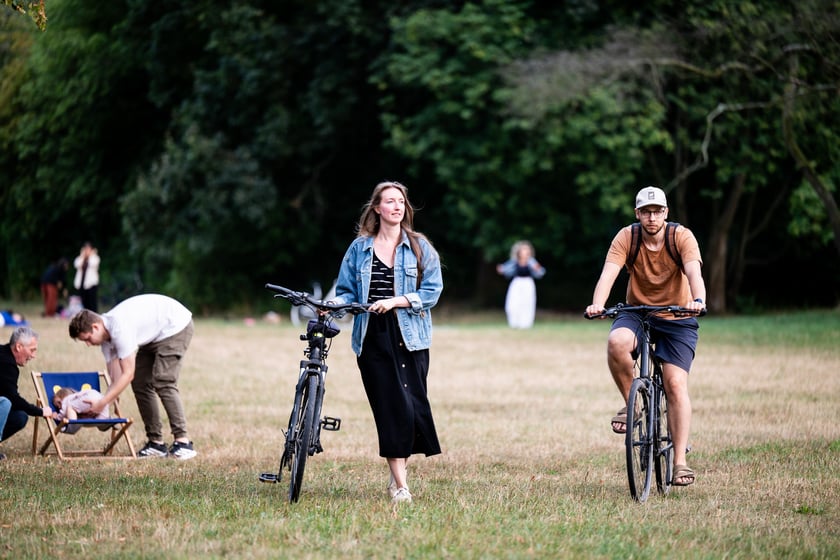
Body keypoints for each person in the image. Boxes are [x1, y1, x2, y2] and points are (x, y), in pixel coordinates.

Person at [585, 186, 706, 487]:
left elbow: (694, 273)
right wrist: (597, 303)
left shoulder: (681, 237)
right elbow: (608, 274)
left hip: (678, 314)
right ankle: (633, 404)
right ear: (637, 214)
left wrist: (698, 300)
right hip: (637, 311)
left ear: (666, 213)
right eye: (646, 212)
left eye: (657, 211)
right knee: (617, 342)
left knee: (675, 383)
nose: (652, 217)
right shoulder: (628, 237)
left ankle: (679, 463)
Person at [331, 181, 444, 504]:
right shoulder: (359, 249)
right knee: (390, 408)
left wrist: (396, 301)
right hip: (373, 338)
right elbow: (346, 290)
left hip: (411, 337)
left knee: (410, 408)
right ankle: (402, 486)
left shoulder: (420, 247)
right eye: (389, 201)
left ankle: (396, 478)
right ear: (377, 208)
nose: (396, 206)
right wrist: (335, 306)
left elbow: (432, 292)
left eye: (400, 202)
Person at [68, 294, 198, 460]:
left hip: (175, 326)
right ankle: (156, 443)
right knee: (140, 383)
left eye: (87, 339)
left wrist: (102, 403)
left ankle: (183, 442)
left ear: (95, 327)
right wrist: (107, 405)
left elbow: (127, 374)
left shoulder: (119, 329)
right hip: (155, 334)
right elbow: (116, 379)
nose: (88, 344)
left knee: (163, 381)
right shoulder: (106, 341)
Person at [0, 327, 53, 458]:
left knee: (18, 416)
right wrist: (40, 411)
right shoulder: (6, 364)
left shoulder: (4, 354)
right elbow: (13, 399)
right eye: (32, 350)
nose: (33, 355)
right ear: (18, 347)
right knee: (7, 405)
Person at [496, 240, 546, 329]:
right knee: (512, 304)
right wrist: (501, 269)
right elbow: (505, 269)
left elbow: (541, 272)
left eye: (527, 250)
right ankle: (514, 323)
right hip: (517, 283)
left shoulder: (531, 262)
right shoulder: (514, 261)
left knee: (526, 304)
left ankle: (525, 324)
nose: (526, 252)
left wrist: (537, 269)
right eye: (523, 250)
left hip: (528, 284)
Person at [73, 242, 100, 312]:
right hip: (82, 284)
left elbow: (92, 264)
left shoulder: (95, 258)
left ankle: (94, 316)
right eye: (85, 249)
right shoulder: (81, 258)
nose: (87, 251)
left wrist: (91, 255)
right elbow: (76, 264)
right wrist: (82, 256)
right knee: (84, 302)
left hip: (91, 284)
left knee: (92, 302)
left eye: (88, 249)